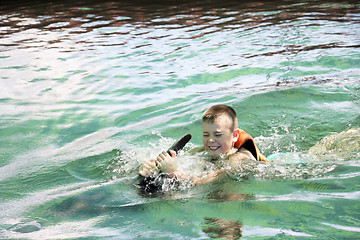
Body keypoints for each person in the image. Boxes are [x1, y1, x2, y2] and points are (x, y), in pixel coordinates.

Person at [139, 104, 268, 185]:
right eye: (206, 135)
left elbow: (204, 183)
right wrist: (155, 166)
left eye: (217, 135)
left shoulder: (238, 159)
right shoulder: (199, 151)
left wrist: (174, 172)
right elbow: (180, 162)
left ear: (234, 136)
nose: (211, 140)